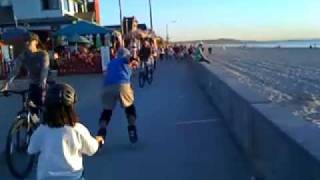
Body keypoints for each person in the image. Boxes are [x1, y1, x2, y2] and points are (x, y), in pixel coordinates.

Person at [27, 83, 104, 180]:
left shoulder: (42, 129)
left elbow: (31, 149)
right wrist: (98, 141)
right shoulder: (78, 129)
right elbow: (91, 149)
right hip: (73, 177)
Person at [0, 32, 50, 120]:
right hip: (34, 84)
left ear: (36, 42)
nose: (26, 43)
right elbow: (15, 71)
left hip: (45, 84)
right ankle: (33, 124)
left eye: (29, 41)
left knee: (44, 107)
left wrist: (43, 81)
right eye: (25, 41)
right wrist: (6, 83)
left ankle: (45, 124)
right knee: (31, 106)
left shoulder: (43, 54)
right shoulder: (24, 55)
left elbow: (44, 69)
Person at [97, 47, 139, 144]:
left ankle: (101, 132)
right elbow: (129, 59)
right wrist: (133, 58)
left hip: (107, 87)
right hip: (122, 85)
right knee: (129, 107)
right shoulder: (125, 60)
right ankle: (132, 128)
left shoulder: (111, 62)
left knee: (107, 111)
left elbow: (107, 74)